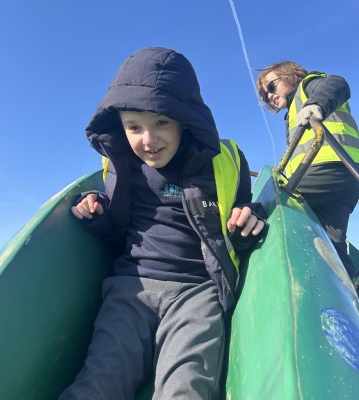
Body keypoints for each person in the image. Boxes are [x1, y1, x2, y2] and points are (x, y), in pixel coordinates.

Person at [59, 47, 266, 400]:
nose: (148, 139)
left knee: (185, 387)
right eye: (134, 127)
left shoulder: (224, 161)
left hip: (196, 290)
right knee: (100, 380)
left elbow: (241, 212)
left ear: (185, 119)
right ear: (121, 127)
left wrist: (247, 221)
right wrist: (96, 211)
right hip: (132, 287)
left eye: (161, 123)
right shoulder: (121, 166)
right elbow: (116, 228)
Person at [256, 60, 359, 294]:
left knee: (269, 205)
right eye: (264, 95)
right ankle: (350, 295)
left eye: (271, 87)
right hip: (342, 181)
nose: (269, 96)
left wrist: (316, 104)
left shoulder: (309, 86)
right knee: (332, 243)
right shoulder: (293, 114)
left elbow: (338, 84)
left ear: (290, 75)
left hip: (330, 165)